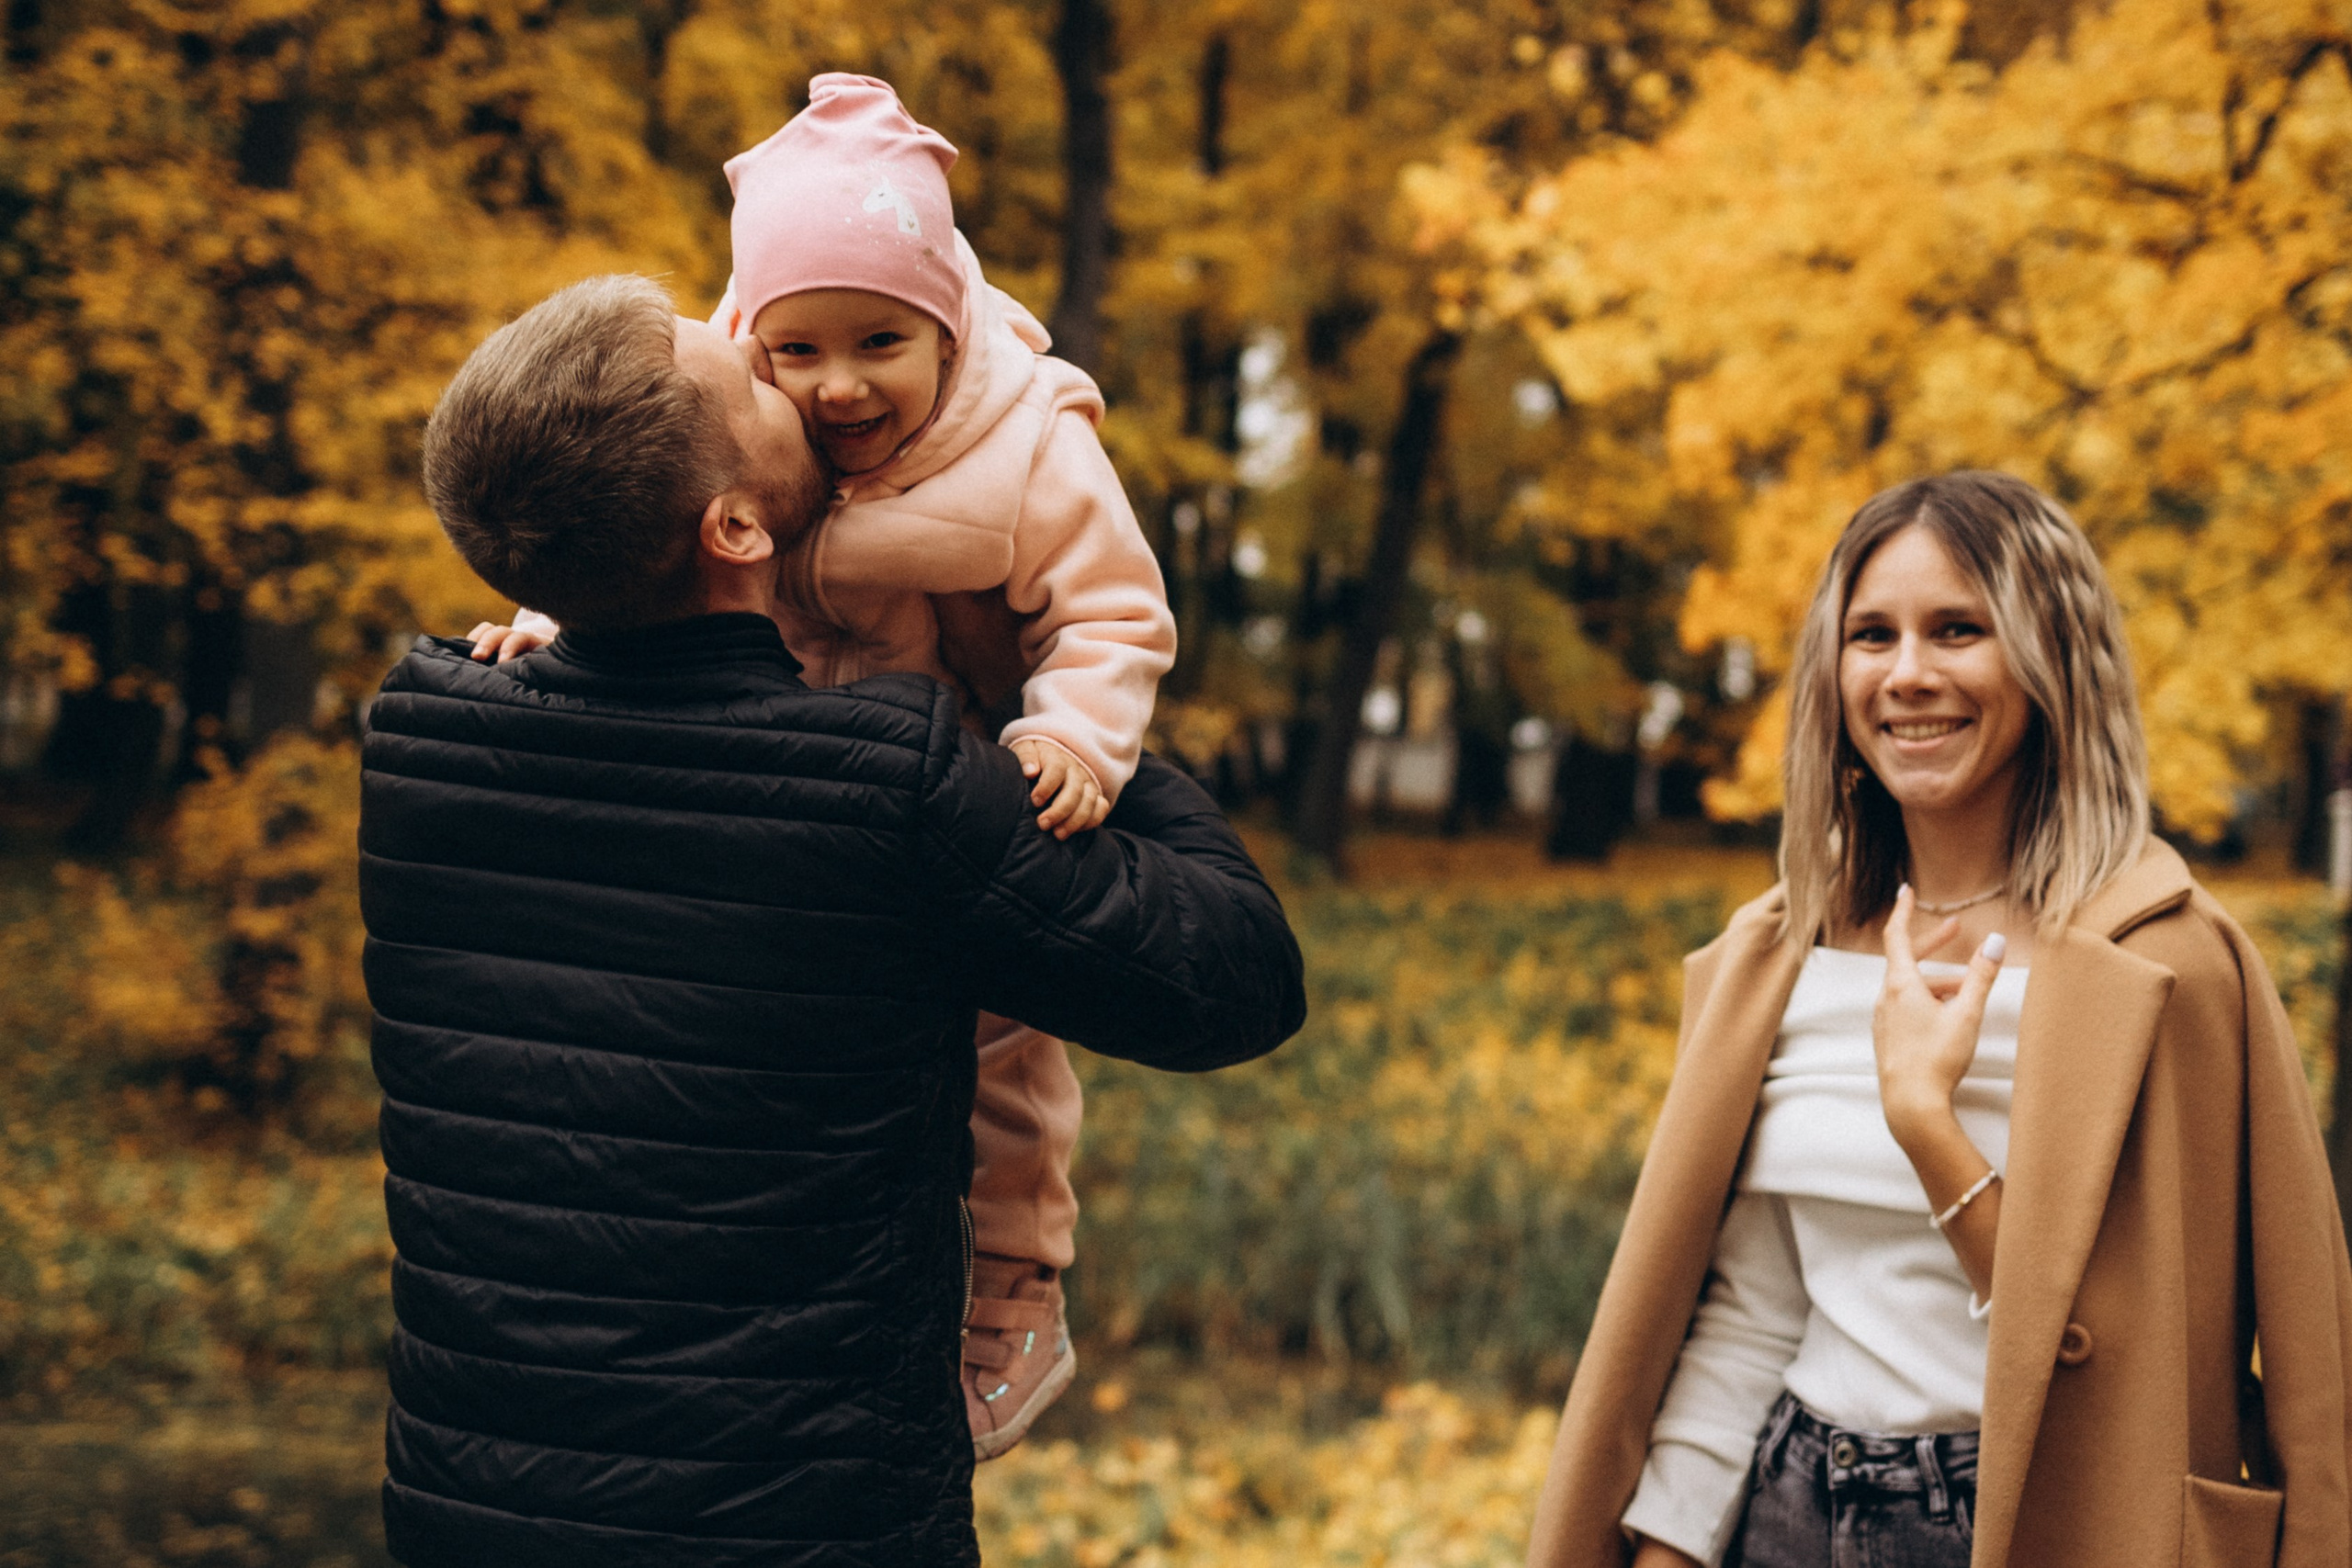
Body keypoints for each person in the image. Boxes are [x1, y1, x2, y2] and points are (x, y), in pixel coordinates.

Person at [364, 272, 1305, 1566]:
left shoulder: (421, 738)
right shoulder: (876, 784)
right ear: (736, 529)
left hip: (473, 1520)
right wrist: (1027, 679)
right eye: (751, 375)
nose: (785, 370)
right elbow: (1237, 976)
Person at [477, 74, 1175, 1456]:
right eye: (798, 350)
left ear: (949, 324)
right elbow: (636, 534)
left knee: (1004, 1046)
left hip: (957, 787)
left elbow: (1111, 610)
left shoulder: (1030, 440)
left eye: (881, 341)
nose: (839, 384)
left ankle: (1017, 1288)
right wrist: (548, 630)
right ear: (750, 340)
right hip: (790, 808)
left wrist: (1071, 738)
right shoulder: (722, 425)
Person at [1525, 471, 2352, 1568]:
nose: (1908, 674)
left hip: (2051, 1525)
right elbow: (1751, 1306)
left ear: (2050, 659)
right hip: (1787, 1508)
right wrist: (1667, 1550)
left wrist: (1926, 1119)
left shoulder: (2166, 967)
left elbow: (2137, 1354)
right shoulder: (1777, 958)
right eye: (1872, 636)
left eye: (1958, 630)